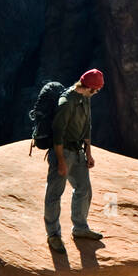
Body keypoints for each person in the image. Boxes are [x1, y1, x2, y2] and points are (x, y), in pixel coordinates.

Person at [44, 69, 105, 253]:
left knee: (84, 189)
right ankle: (53, 235)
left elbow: (87, 127)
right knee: (54, 194)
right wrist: (61, 161)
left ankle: (80, 228)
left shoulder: (85, 98)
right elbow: (58, 134)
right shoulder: (66, 102)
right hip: (63, 152)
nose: (96, 93)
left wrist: (89, 153)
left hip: (78, 152)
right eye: (96, 90)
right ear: (89, 87)